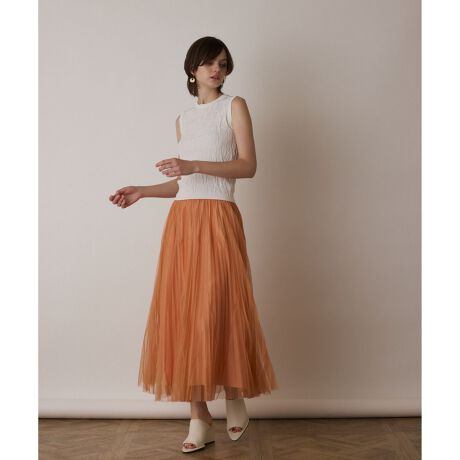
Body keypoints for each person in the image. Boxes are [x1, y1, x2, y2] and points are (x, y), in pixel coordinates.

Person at [109, 36, 279, 454]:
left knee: (221, 305)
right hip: (183, 221)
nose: (217, 70)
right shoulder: (184, 119)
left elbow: (248, 166)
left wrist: (193, 164)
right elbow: (185, 184)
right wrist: (143, 191)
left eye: (223, 63)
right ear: (192, 69)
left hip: (218, 217)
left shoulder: (234, 106)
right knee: (184, 313)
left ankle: (235, 393)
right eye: (209, 63)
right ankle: (199, 417)